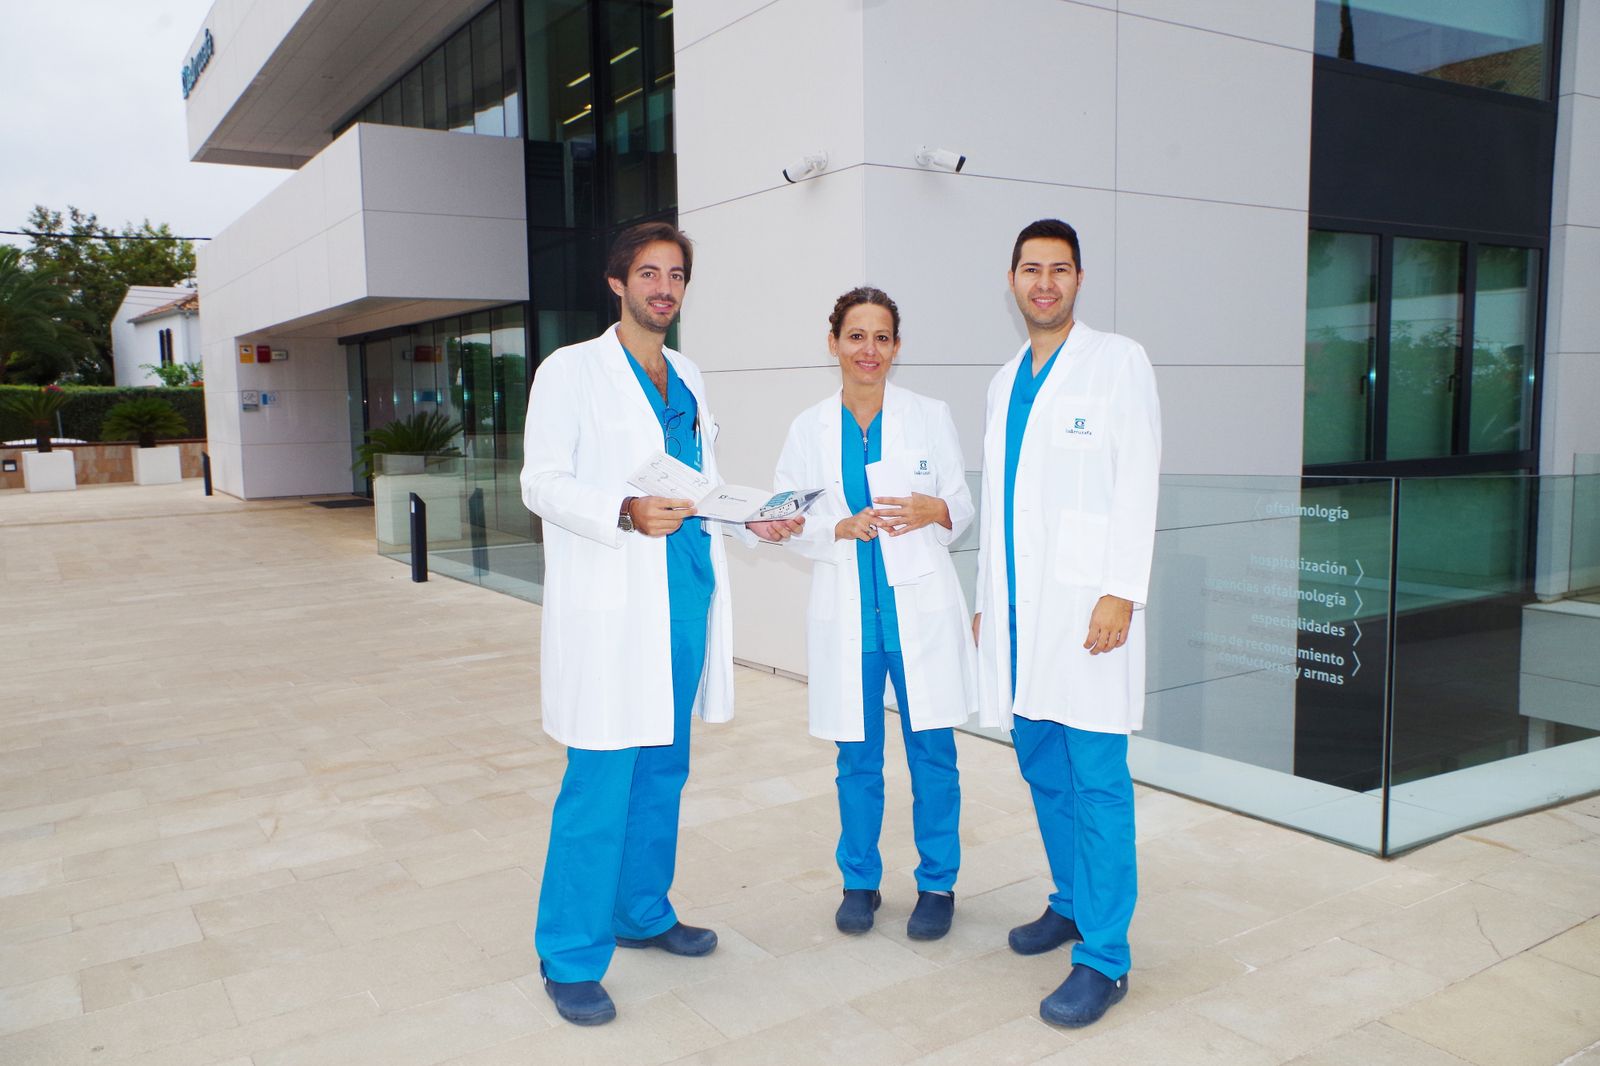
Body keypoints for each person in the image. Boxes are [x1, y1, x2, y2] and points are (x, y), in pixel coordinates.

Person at [520, 222, 799, 1026]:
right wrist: (622, 509)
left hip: (683, 602)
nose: (664, 288)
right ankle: (570, 954)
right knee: (600, 783)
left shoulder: (689, 374)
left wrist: (752, 520)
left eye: (676, 275)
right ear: (617, 284)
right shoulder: (569, 372)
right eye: (649, 273)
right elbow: (542, 481)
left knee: (662, 772)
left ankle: (641, 911)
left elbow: (697, 486)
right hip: (613, 607)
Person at [971, 219, 1161, 1027]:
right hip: (1021, 615)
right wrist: (988, 599)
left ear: (1079, 280)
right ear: (1011, 281)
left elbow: (1139, 477)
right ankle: (1073, 901)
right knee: (1042, 762)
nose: (1043, 282)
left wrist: (1121, 589)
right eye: (1030, 269)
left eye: (1059, 269)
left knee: (1097, 779)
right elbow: (1006, 502)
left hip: (1090, 612)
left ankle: (1106, 957)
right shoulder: (1004, 376)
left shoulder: (1117, 362)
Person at [773, 286, 976, 940]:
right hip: (850, 616)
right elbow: (787, 515)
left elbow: (961, 504)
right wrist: (835, 527)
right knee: (856, 758)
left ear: (897, 346)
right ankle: (859, 881)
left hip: (919, 611)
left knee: (933, 754)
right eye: (856, 336)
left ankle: (937, 884)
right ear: (833, 342)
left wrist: (934, 510)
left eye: (882, 337)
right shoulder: (809, 428)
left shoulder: (928, 414)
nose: (869, 350)